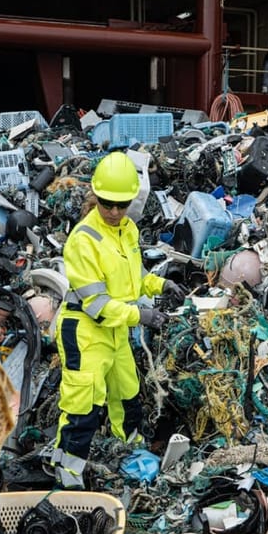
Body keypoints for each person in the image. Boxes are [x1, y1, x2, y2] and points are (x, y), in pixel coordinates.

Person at [49, 152, 186, 488]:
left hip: (116, 331)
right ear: (96, 197)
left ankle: (129, 453)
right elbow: (98, 304)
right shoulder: (83, 239)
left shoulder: (127, 230)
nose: (113, 212)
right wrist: (143, 315)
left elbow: (134, 278)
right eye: (107, 203)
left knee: (127, 394)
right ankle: (67, 476)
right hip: (85, 331)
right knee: (82, 408)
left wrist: (161, 284)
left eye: (120, 205)